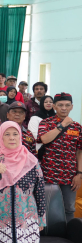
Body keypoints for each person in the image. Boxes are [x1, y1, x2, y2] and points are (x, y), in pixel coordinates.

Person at [37, 93, 82, 222]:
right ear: (54, 106)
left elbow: (79, 151)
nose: (64, 108)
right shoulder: (45, 123)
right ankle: (47, 233)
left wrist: (79, 174)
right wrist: (62, 125)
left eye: (67, 105)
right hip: (48, 174)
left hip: (70, 176)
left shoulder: (77, 127)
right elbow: (44, 139)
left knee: (69, 208)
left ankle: (68, 233)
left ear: (72, 107)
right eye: (60, 105)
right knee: (46, 207)